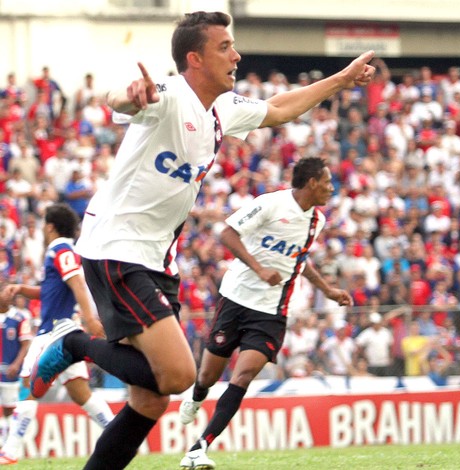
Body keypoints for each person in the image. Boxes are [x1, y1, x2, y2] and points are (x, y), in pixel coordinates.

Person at [27, 11, 374, 470]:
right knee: (178, 376)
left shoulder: (223, 109)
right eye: (225, 47)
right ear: (194, 58)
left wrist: (342, 79)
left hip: (155, 257)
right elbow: (120, 100)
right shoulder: (168, 95)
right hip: (117, 247)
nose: (237, 55)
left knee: (149, 401)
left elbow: (281, 107)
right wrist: (131, 94)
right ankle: (73, 344)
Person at [178, 157, 353, 468]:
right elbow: (228, 234)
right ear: (312, 183)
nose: (331, 188)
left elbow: (299, 260)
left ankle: (199, 447)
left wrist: (327, 290)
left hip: (271, 311)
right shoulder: (271, 204)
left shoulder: (317, 221)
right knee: (207, 375)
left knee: (243, 375)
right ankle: (197, 395)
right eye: (327, 182)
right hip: (236, 298)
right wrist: (258, 268)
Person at [0, 203, 113, 465]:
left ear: (50, 226)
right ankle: (118, 433)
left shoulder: (60, 249)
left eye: (43, 223)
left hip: (54, 331)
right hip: (65, 329)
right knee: (80, 393)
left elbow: (77, 284)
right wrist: (20, 289)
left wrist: (90, 319)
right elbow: (50, 290)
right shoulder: (61, 251)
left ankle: (10, 451)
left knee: (29, 386)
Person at [0, 290, 32, 447]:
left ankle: (7, 444)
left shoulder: (19, 318)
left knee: (9, 408)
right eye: (4, 293)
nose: (8, 296)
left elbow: (26, 344)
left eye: (10, 294)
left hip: (9, 372)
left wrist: (16, 364)